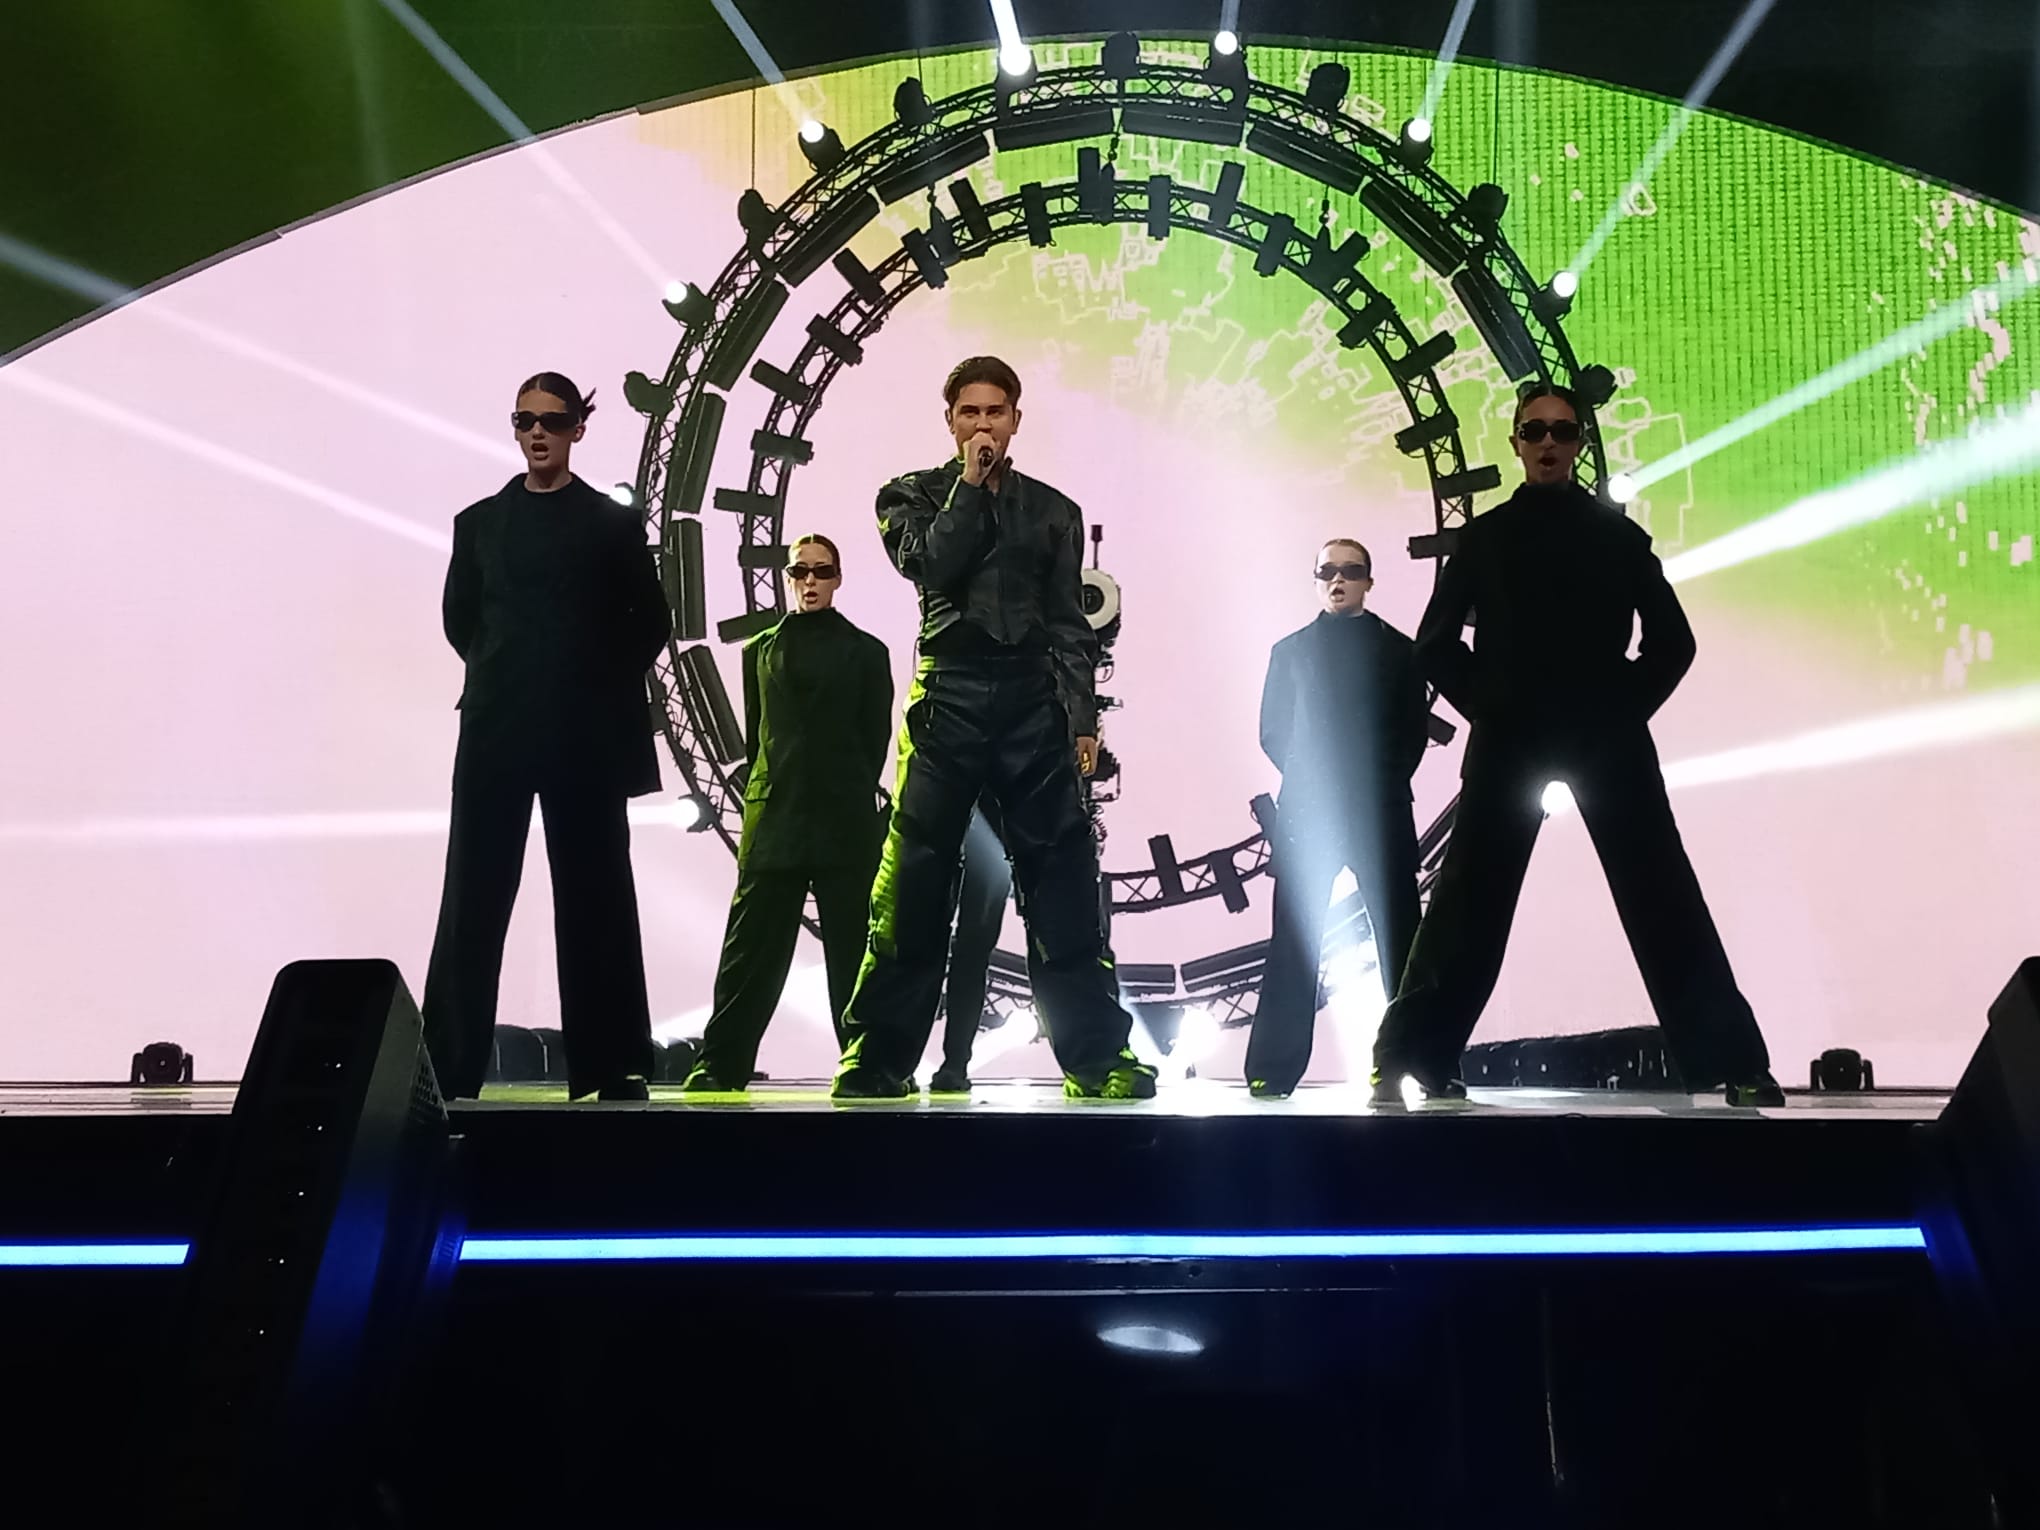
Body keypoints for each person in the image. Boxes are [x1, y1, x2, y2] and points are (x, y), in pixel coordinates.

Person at [1370, 383, 1784, 1108]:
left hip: (1603, 739)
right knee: (1467, 901)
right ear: (1516, 443)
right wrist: (1491, 709)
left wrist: (1621, 710)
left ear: (1579, 444)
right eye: (1534, 431)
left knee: (1661, 892)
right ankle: (1409, 1060)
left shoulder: (1618, 537)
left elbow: (1674, 642)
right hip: (1514, 740)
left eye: (1562, 432)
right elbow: (1434, 645)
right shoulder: (1486, 538)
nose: (1548, 443)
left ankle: (1734, 1063)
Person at [832, 356, 1154, 1100]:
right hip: (947, 695)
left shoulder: (1054, 510)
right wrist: (970, 488)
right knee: (912, 881)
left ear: (1015, 420)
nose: (983, 425)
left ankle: (1096, 1058)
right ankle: (877, 1057)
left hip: (1031, 701)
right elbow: (931, 565)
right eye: (969, 413)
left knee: (1063, 884)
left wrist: (1081, 718)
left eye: (995, 412)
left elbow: (1071, 625)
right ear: (951, 421)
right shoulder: (910, 495)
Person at [422, 372, 671, 1101]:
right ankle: (449, 1067)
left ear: (577, 430)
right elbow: (461, 621)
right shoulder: (478, 524)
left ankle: (611, 1064)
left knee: (597, 894)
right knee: (473, 894)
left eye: (552, 421)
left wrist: (590, 680)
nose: (537, 432)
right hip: (497, 727)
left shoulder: (610, 524)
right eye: (525, 420)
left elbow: (650, 622)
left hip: (584, 734)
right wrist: (505, 672)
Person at [683, 535, 893, 1090]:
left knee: (853, 949)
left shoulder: (867, 653)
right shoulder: (759, 650)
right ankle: (721, 1063)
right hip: (776, 815)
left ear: (837, 578)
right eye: (800, 572)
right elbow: (760, 737)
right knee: (750, 949)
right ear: (788, 577)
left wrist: (847, 790)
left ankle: (865, 1063)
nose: (810, 582)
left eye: (820, 572)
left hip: (842, 818)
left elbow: (874, 738)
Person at [1245, 540, 1428, 1099]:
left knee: (1403, 940)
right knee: (1294, 941)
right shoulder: (1290, 652)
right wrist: (1314, 779)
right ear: (1316, 579)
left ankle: (1423, 1061)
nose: (1338, 579)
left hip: (1379, 811)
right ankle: (1273, 1068)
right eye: (1328, 570)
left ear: (1369, 581)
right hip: (1312, 815)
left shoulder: (1400, 651)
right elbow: (1272, 731)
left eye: (1350, 571)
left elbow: (1413, 731)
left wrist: (1375, 779)